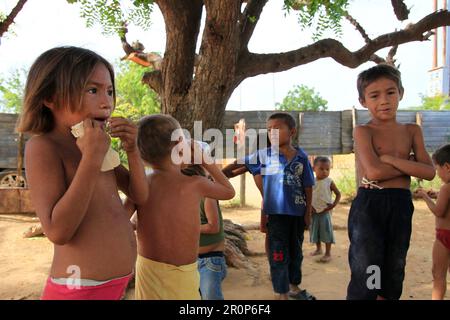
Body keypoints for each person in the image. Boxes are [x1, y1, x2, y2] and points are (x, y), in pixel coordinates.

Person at [17, 46, 149, 300]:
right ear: (51, 97)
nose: (106, 101)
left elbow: (139, 195)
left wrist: (133, 151)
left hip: (116, 286)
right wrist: (91, 158)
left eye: (109, 91)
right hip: (78, 290)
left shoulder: (97, 144)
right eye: (92, 90)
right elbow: (58, 231)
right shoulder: (44, 147)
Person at [347, 64, 435, 300]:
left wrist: (388, 159)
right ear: (363, 101)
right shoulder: (363, 131)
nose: (384, 100)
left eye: (390, 92)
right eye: (375, 95)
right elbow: (373, 173)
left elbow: (429, 172)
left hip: (400, 205)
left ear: (401, 93)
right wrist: (407, 163)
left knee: (395, 264)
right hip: (370, 205)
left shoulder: (412, 130)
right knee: (369, 266)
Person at [133, 114, 235, 300]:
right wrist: (205, 161)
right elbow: (228, 191)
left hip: (148, 271)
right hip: (184, 273)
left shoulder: (142, 184)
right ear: (180, 144)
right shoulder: (196, 183)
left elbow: (130, 222)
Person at [223, 112, 316, 300]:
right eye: (269, 130)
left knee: (296, 252)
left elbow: (308, 186)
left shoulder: (302, 157)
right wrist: (216, 176)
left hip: (297, 215)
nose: (272, 133)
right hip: (276, 215)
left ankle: (293, 286)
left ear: (292, 131)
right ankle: (280, 292)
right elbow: (236, 165)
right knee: (278, 254)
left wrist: (307, 213)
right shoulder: (263, 156)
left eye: (277, 129)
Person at [182, 165, 227, 300]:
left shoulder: (207, 197)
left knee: (210, 298)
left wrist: (188, 227)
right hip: (190, 261)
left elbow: (213, 227)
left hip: (210, 260)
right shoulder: (182, 199)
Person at [418, 144, 450, 300]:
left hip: (444, 236)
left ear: (447, 167)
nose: (437, 174)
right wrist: (437, 193)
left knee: (438, 275)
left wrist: (425, 196)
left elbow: (439, 211)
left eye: (437, 169)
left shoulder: (446, 188)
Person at [309, 156, 341, 263]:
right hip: (314, 211)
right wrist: (309, 207)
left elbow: (338, 194)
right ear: (314, 169)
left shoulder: (329, 181)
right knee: (315, 231)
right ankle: (318, 249)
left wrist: (333, 205)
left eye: (327, 169)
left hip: (325, 212)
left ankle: (328, 253)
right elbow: (308, 195)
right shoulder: (311, 182)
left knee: (326, 231)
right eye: (321, 169)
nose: (325, 172)